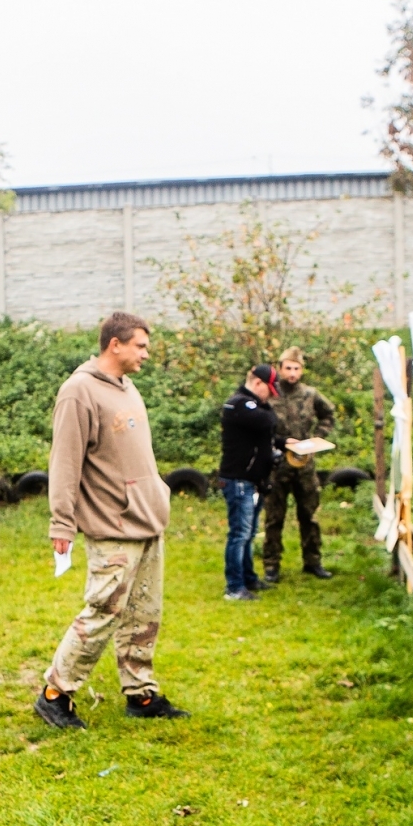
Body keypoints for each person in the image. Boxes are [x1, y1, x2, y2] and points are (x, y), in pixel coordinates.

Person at [36, 311, 189, 730]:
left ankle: (140, 694)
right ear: (114, 344)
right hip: (113, 526)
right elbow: (65, 463)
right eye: (140, 345)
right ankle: (55, 693)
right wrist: (62, 524)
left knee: (144, 613)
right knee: (103, 611)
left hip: (147, 522)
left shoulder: (127, 387)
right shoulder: (79, 391)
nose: (146, 353)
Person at [263, 345, 337, 582]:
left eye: (296, 368)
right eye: (288, 368)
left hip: (304, 464)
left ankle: (313, 561)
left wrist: (319, 437)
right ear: (280, 369)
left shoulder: (310, 394)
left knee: (309, 515)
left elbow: (328, 414)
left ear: (302, 370)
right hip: (277, 465)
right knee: (274, 517)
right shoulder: (271, 393)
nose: (292, 373)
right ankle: (271, 564)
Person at [219, 363, 280, 601]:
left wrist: (285, 443)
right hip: (238, 480)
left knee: (250, 532)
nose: (270, 397)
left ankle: (248, 577)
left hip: (252, 480)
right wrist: (268, 410)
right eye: (269, 390)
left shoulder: (252, 407)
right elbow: (267, 422)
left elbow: (265, 436)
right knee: (240, 533)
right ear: (257, 384)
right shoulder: (239, 404)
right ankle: (234, 587)